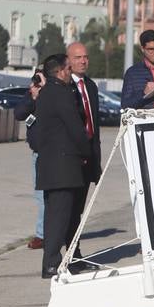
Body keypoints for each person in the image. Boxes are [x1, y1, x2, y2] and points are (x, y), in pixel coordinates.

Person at [34, 54, 92, 278]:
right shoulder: (62, 93)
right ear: (60, 72)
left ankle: (51, 261)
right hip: (64, 166)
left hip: (50, 164)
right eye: (68, 68)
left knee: (53, 217)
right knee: (60, 217)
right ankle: (51, 264)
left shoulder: (45, 94)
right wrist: (86, 152)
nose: (71, 72)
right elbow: (75, 127)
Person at [66, 42, 102, 185]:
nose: (83, 61)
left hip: (90, 155)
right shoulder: (64, 85)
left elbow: (95, 125)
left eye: (86, 57)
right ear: (68, 60)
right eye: (78, 57)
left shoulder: (91, 86)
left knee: (81, 204)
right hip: (72, 156)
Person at [18, 70, 46, 250]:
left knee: (50, 196)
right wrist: (33, 97)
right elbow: (19, 113)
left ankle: (44, 234)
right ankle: (42, 234)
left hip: (52, 153)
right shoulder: (31, 94)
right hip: (37, 153)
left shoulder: (54, 94)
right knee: (40, 196)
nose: (36, 82)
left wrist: (44, 95)